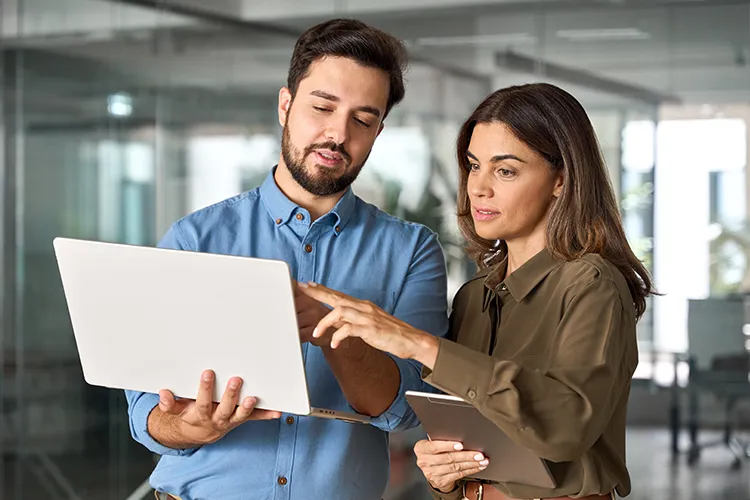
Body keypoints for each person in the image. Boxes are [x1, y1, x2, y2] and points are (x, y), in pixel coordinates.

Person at [124, 18, 449, 500]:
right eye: (322, 107)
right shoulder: (195, 239)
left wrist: (333, 327)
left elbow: (406, 409)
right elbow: (145, 413)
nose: (337, 134)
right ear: (285, 105)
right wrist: (189, 427)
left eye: (362, 120)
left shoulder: (411, 251)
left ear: (378, 132)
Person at [300, 82, 656, 500]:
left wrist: (421, 345)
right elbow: (473, 445)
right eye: (473, 165)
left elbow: (565, 427)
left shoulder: (592, 284)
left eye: (505, 170)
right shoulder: (473, 298)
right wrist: (444, 473)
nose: (479, 187)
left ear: (561, 179)